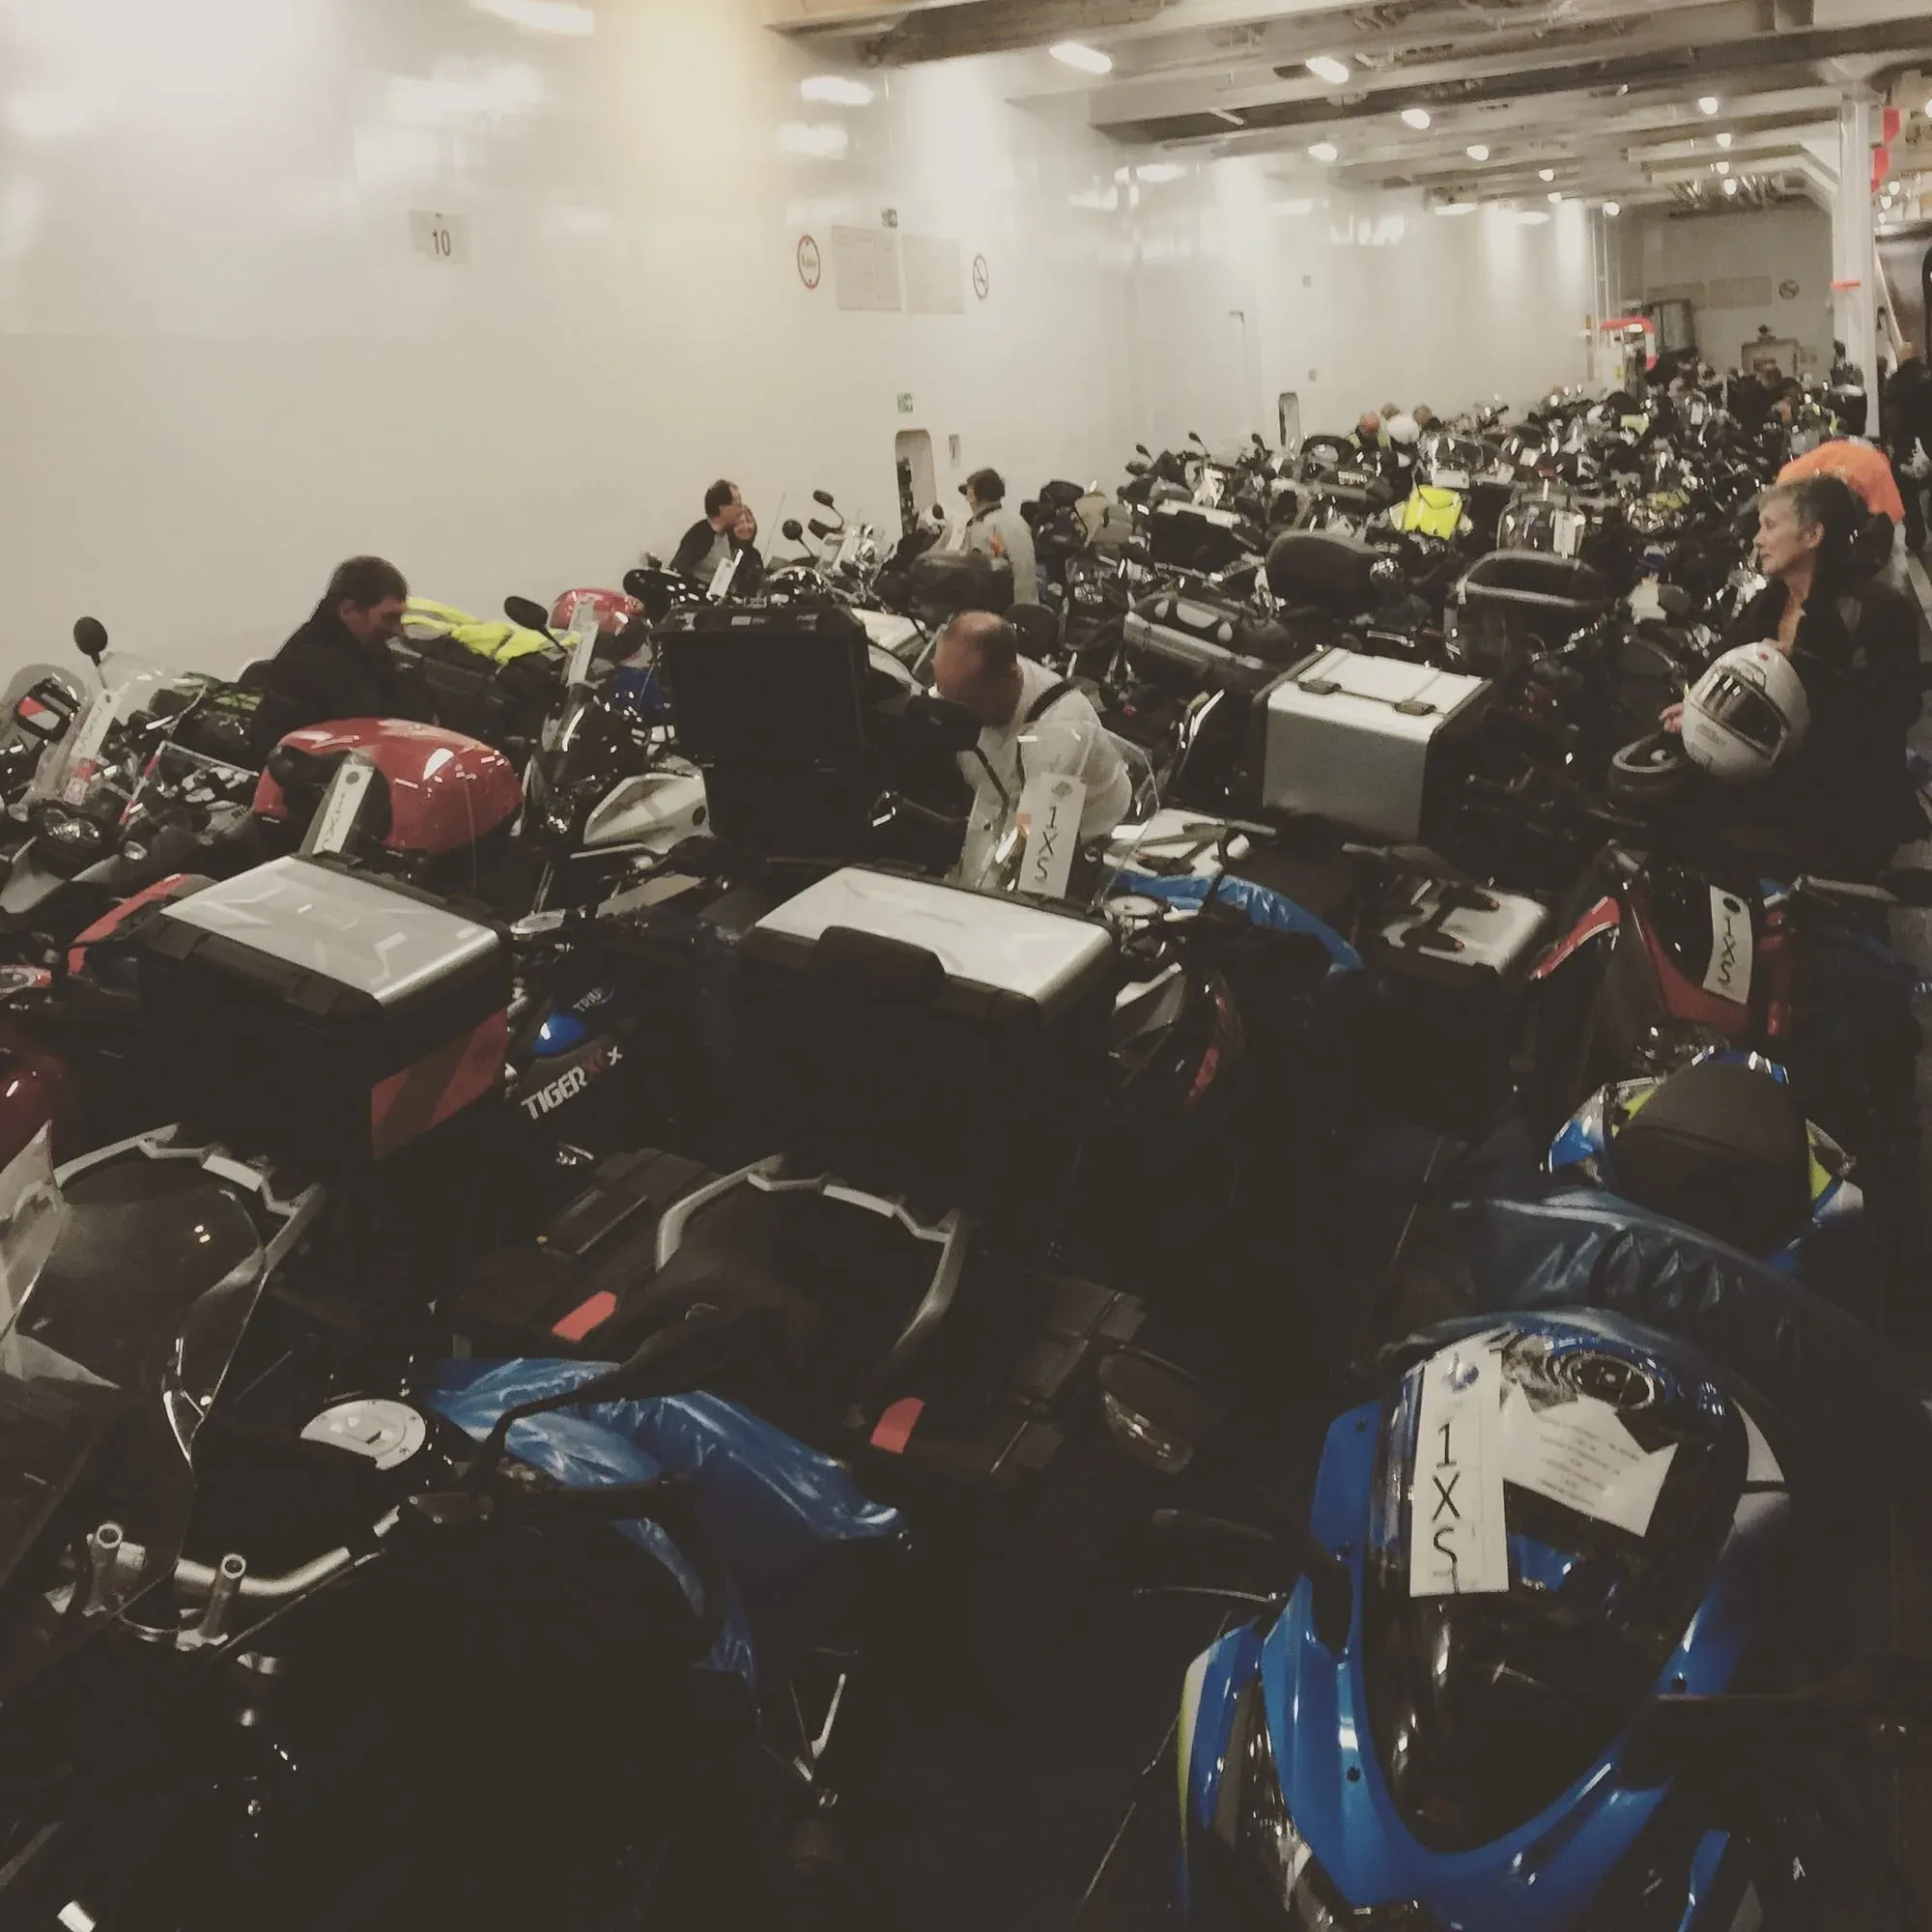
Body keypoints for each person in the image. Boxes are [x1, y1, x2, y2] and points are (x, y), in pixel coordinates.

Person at [1662, 474, 1922, 871]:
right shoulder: (1770, 602)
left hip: (1839, 798)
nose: (1757, 540)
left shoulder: (1879, 611)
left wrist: (1804, 669)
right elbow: (1723, 666)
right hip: (1775, 771)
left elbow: (1890, 711)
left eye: (1770, 526)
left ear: (1813, 535)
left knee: (1691, 820)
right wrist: (1698, 710)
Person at [933, 610, 1131, 888]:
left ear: (1007, 679)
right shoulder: (973, 682)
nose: (951, 709)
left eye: (964, 700)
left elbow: (1042, 862)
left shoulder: (1061, 732)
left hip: (1086, 836)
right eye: (943, 692)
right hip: (997, 809)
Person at [267, 556, 424, 731]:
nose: (398, 630)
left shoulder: (363, 648)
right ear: (347, 610)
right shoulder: (315, 663)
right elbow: (383, 728)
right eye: (388, 618)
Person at [959, 468, 1039, 605]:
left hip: (1003, 611)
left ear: (975, 495)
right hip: (1019, 606)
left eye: (969, 494)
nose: (967, 500)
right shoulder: (1013, 520)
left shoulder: (993, 526)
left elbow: (1020, 576)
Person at [1884, 349, 1932, 552]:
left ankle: (1915, 535)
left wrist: (1891, 441)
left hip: (1906, 443)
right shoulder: (1928, 377)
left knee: (1908, 492)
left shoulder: (1894, 383)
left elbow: (1890, 417)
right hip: (1929, 439)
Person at [670, 479, 745, 583]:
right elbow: (677, 570)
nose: (741, 511)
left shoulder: (730, 537)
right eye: (738, 505)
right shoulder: (699, 534)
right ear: (723, 508)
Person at [728, 505, 765, 595]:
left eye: (749, 521)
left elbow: (760, 587)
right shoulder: (726, 551)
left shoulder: (755, 554)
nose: (746, 526)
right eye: (740, 523)